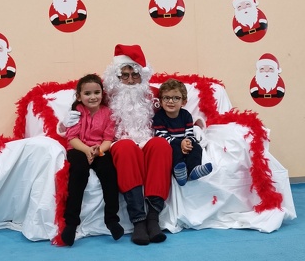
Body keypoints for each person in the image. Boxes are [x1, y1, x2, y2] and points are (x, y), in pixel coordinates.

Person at [102, 44, 172, 245]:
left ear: (143, 76)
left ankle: (153, 218)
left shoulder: (154, 95)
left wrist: (197, 127)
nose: (131, 81)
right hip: (119, 141)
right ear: (116, 77)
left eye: (135, 75)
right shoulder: (105, 97)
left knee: (161, 145)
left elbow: (176, 108)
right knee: (125, 148)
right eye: (125, 75)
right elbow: (84, 109)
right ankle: (139, 221)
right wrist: (69, 120)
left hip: (147, 139)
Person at [61, 74, 124, 246]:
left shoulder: (108, 113)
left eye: (97, 92)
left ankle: (112, 219)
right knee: (79, 171)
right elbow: (72, 138)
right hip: (78, 148)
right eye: (87, 93)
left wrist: (98, 151)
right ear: (79, 96)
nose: (93, 97)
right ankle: (71, 223)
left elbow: (108, 139)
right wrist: (87, 150)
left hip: (99, 149)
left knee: (109, 172)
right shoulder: (76, 112)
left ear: (102, 94)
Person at [153, 79, 212, 186]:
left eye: (176, 98)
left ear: (183, 102)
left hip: (184, 142)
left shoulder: (186, 115)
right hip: (171, 144)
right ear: (161, 101)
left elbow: (189, 133)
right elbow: (161, 136)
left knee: (196, 147)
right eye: (166, 98)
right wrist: (180, 143)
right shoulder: (159, 117)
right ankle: (179, 173)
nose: (171, 101)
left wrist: (188, 142)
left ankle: (194, 169)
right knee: (174, 150)